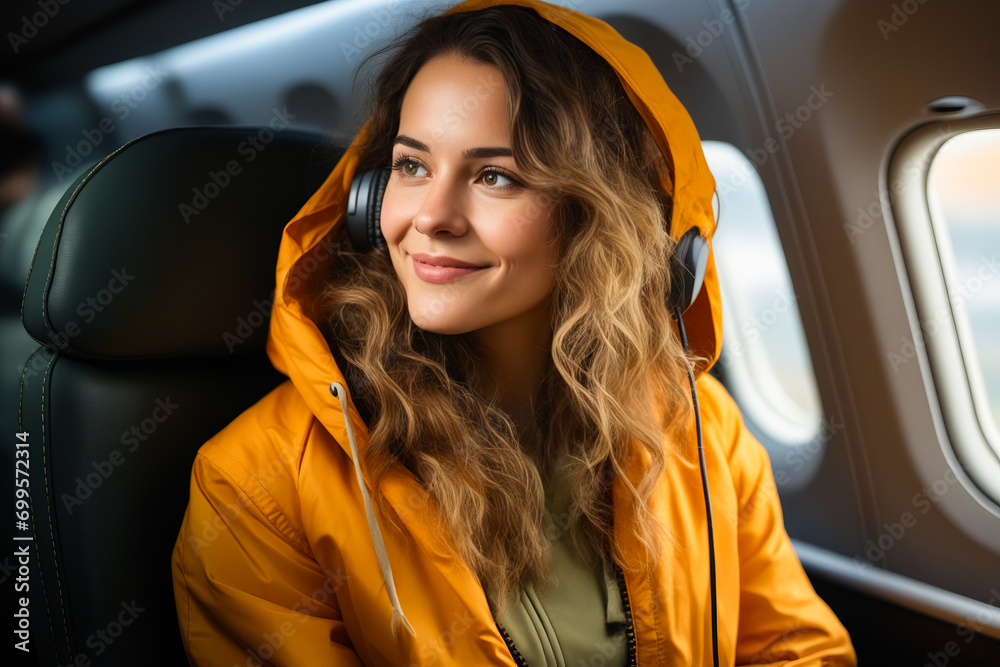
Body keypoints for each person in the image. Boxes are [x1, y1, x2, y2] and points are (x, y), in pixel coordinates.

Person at [171, 1, 857, 665]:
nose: (432, 216)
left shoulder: (702, 431)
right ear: (366, 201)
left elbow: (794, 651)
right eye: (412, 166)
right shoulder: (255, 490)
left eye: (494, 176)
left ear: (597, 218)